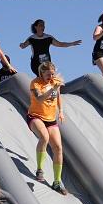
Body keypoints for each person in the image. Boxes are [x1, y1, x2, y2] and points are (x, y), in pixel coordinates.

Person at [28, 61, 67, 195]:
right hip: (35, 116)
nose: (50, 76)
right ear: (41, 73)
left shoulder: (55, 81)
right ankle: (39, 169)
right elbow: (39, 99)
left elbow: (58, 97)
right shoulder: (35, 83)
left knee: (58, 148)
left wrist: (61, 111)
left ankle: (57, 181)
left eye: (52, 73)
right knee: (44, 137)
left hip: (51, 119)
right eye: (48, 74)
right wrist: (52, 88)